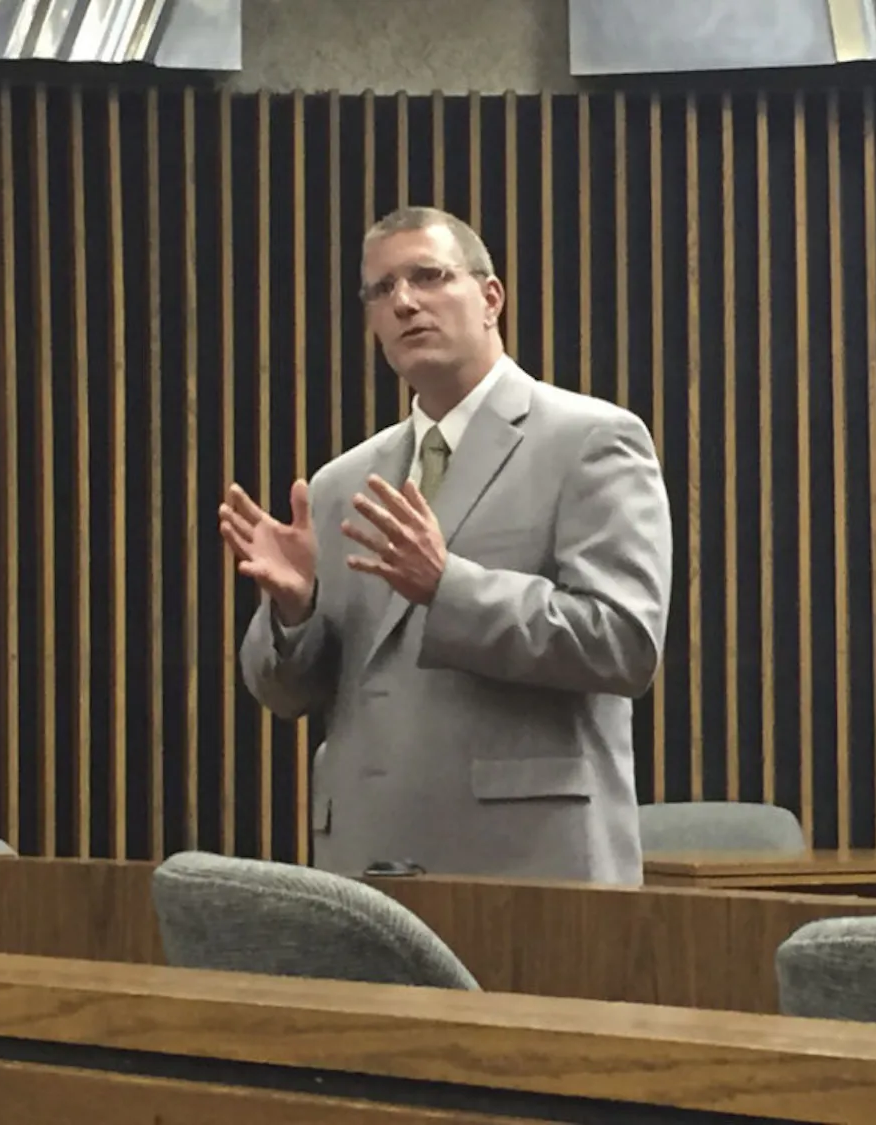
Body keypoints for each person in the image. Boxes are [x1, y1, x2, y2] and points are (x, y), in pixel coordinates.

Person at [218, 205, 673, 884]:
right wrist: (296, 615)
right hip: (368, 857)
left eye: (428, 276)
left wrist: (447, 585)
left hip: (530, 862)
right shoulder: (343, 482)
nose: (404, 302)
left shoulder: (591, 440)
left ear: (491, 298)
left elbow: (626, 643)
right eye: (382, 290)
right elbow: (288, 695)